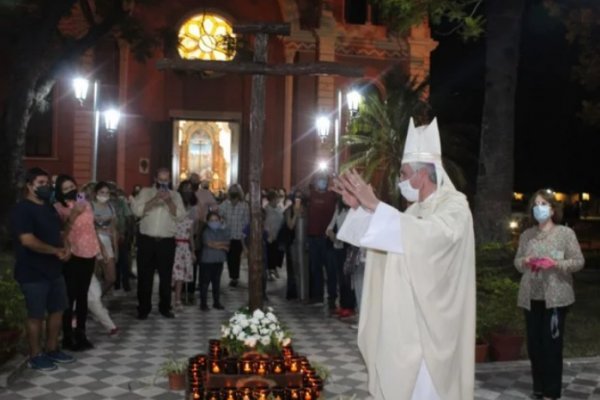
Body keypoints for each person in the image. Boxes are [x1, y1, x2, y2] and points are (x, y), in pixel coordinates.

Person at [334, 118, 475, 400]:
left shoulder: (454, 206)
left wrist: (375, 205)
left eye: (404, 173)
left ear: (423, 175)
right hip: (402, 322)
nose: (400, 180)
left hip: (430, 327)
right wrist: (363, 209)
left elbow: (432, 237)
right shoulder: (412, 213)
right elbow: (386, 241)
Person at [514, 189, 584, 400]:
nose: (539, 208)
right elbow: (517, 262)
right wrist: (525, 262)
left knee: (551, 347)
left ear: (553, 209)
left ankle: (551, 393)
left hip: (556, 299)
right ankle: (538, 388)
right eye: (536, 204)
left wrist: (556, 264)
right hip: (531, 297)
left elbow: (578, 261)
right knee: (535, 347)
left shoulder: (565, 234)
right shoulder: (527, 235)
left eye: (543, 204)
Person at [11, 167, 75, 370]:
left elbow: (59, 232)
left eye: (47, 184)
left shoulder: (49, 207)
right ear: (29, 186)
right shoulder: (22, 209)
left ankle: (52, 348)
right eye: (41, 183)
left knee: (57, 310)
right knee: (36, 315)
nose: (46, 187)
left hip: (54, 270)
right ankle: (35, 355)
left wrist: (66, 248)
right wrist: (55, 251)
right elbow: (28, 240)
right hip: (32, 272)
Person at [131, 168, 185, 319]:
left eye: (166, 180)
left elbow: (180, 216)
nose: (163, 183)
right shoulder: (145, 192)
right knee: (144, 277)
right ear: (155, 179)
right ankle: (143, 308)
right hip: (147, 240)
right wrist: (154, 199)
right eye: (160, 180)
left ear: (170, 180)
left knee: (166, 276)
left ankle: (165, 307)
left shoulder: (175, 195)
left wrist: (168, 201)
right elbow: (137, 211)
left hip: (166, 241)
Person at [54, 175, 100, 351]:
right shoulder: (58, 207)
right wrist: (73, 214)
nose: (70, 190)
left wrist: (99, 251)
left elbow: (91, 227)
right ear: (59, 191)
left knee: (82, 296)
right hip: (72, 254)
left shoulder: (85, 202)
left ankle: (81, 333)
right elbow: (61, 234)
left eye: (72, 186)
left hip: (89, 253)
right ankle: (67, 336)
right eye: (65, 188)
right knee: (70, 296)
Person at [306, 174, 337, 307]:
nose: (322, 182)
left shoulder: (332, 196)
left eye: (324, 180)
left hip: (326, 238)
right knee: (315, 268)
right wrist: (311, 176)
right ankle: (317, 297)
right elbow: (298, 190)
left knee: (330, 269)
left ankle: (332, 297)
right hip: (313, 237)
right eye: (319, 180)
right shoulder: (311, 195)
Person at [326, 197, 355, 317]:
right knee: (341, 277)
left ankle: (350, 305)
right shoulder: (338, 208)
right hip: (338, 245)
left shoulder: (354, 210)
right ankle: (343, 304)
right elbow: (330, 226)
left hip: (349, 247)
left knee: (348, 278)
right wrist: (332, 234)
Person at [172, 180, 197, 310]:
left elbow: (191, 234)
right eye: (185, 188)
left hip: (185, 246)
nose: (188, 191)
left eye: (190, 188)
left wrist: (193, 251)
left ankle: (179, 298)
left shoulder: (192, 209)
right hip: (174, 245)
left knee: (181, 274)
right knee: (173, 274)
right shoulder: (174, 209)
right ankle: (172, 297)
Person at [218, 184, 249, 287]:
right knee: (228, 257)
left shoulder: (244, 205)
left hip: (239, 236)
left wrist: (244, 236)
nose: (234, 192)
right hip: (227, 235)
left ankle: (234, 277)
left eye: (236, 190)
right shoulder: (225, 204)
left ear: (240, 192)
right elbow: (218, 215)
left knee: (235, 258)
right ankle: (230, 276)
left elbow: (246, 221)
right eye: (232, 190)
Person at [91, 182, 118, 295]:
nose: (105, 195)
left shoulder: (111, 207)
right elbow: (88, 227)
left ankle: (96, 299)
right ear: (96, 193)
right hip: (93, 242)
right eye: (102, 192)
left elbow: (113, 229)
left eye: (107, 193)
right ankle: (88, 302)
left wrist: (116, 249)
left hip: (107, 241)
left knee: (111, 278)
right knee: (93, 276)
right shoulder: (89, 205)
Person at [199, 211, 230, 310]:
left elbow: (227, 245)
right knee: (205, 283)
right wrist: (221, 245)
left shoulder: (222, 231)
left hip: (219, 260)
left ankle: (216, 302)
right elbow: (209, 244)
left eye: (216, 220)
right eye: (212, 220)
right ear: (207, 222)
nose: (214, 222)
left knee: (216, 283)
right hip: (207, 261)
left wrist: (216, 244)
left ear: (220, 220)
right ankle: (203, 304)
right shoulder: (206, 231)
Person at [265, 190, 284, 280]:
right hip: (269, 237)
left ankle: (274, 269)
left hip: (279, 235)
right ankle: (270, 271)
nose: (277, 200)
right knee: (270, 254)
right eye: (276, 198)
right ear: (271, 199)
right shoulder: (266, 210)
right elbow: (266, 224)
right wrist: (268, 235)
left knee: (278, 254)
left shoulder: (280, 208)